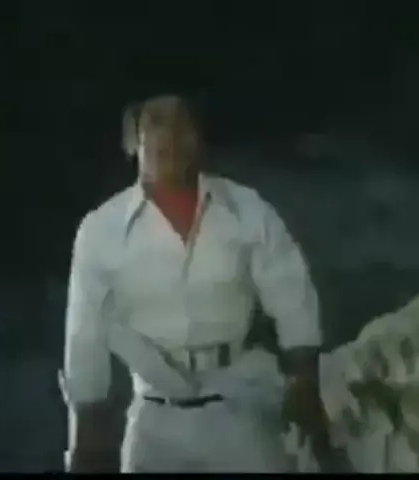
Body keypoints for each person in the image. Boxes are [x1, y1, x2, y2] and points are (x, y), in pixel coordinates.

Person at [61, 94, 332, 472]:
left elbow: (290, 288)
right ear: (132, 139)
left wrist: (304, 375)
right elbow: (84, 335)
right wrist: (84, 432)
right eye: (157, 122)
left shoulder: (245, 208)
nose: (172, 134)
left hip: (240, 401)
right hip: (155, 414)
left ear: (199, 137)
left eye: (183, 122)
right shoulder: (100, 230)